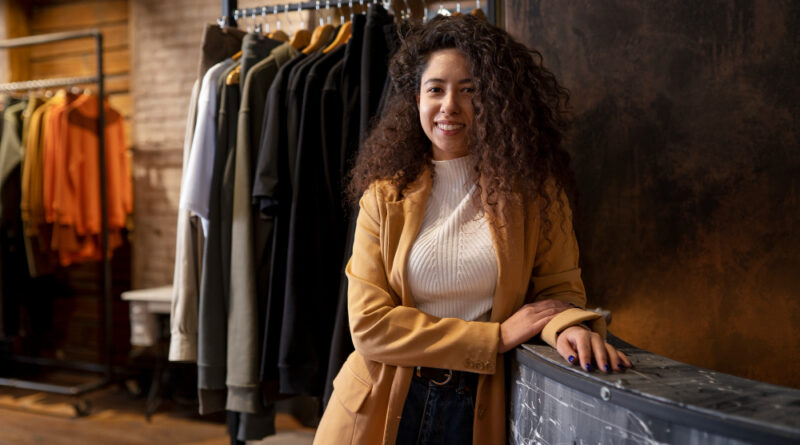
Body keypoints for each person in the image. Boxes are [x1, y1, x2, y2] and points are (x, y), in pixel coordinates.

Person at [314, 14, 632, 445]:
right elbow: (369, 327)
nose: (450, 106)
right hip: (381, 404)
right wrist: (493, 337)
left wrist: (567, 327)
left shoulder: (537, 193)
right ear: (416, 98)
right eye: (436, 89)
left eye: (470, 90)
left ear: (497, 100)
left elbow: (559, 291)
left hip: (478, 404)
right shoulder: (383, 196)